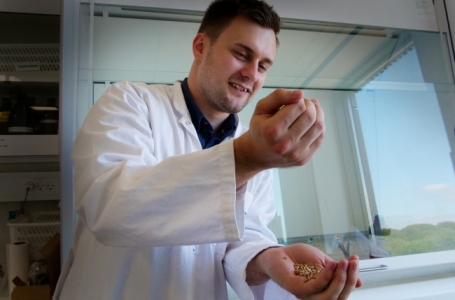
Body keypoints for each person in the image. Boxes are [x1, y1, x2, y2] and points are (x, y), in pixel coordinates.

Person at [54, 0, 362, 299]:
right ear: (201, 46)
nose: (252, 74)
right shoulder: (129, 102)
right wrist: (244, 158)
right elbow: (109, 207)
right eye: (242, 54)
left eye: (263, 66)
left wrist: (270, 259)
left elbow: (238, 244)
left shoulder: (252, 146)